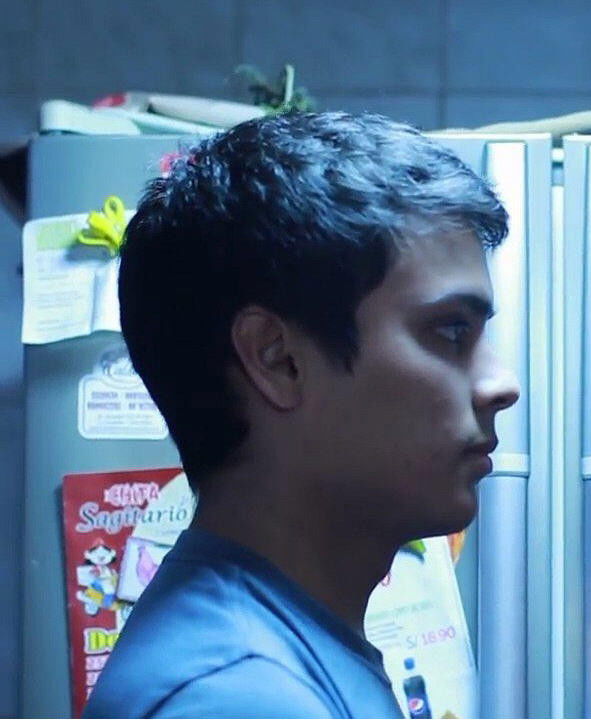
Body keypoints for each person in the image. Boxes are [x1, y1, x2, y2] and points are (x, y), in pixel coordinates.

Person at [85, 112, 520, 718]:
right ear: (279, 360)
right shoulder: (237, 696)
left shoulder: (272, 649)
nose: (502, 385)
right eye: (450, 330)